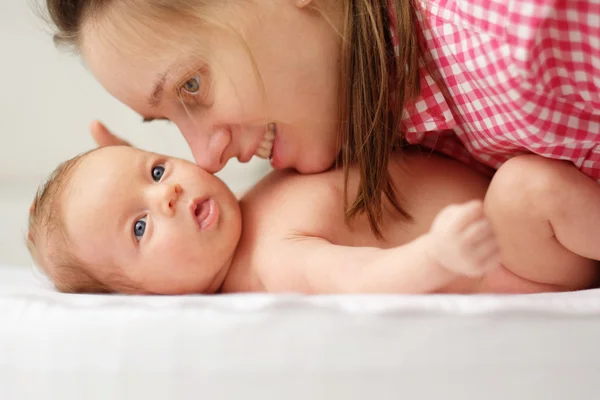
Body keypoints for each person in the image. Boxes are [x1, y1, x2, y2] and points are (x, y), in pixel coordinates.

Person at [44, 0, 600, 237]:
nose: (205, 157)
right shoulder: (364, 110)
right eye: (167, 123)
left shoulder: (515, 29)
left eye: (193, 86)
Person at [26, 144, 599, 295]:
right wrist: (437, 255)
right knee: (527, 189)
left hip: (500, 210)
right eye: (140, 228)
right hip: (520, 258)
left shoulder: (240, 216)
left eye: (154, 172)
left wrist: (126, 179)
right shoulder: (271, 260)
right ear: (152, 297)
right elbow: (358, 279)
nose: (168, 196)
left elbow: (149, 205)